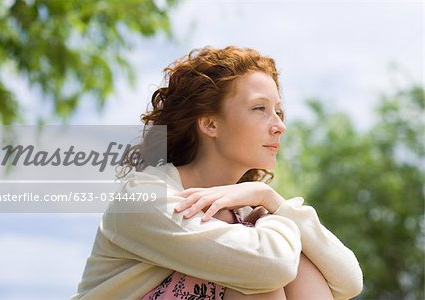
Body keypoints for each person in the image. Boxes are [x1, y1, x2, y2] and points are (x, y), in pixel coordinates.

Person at [72, 46, 363, 300]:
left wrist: (272, 201)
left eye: (278, 111)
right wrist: (278, 219)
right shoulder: (144, 198)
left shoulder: (249, 211)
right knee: (264, 269)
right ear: (210, 124)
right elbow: (271, 267)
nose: (279, 126)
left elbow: (349, 281)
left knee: (294, 256)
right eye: (259, 108)